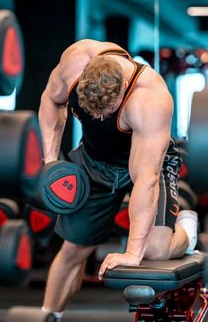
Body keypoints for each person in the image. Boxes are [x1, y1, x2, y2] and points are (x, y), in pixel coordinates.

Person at [38, 39, 198, 321]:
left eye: (105, 111)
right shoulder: (73, 62)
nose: (97, 117)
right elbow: (51, 100)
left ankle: (187, 229)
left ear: (123, 89)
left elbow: (145, 180)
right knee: (73, 248)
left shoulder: (150, 98)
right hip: (94, 161)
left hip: (148, 164)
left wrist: (133, 251)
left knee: (155, 250)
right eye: (91, 112)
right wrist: (50, 161)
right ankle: (49, 315)